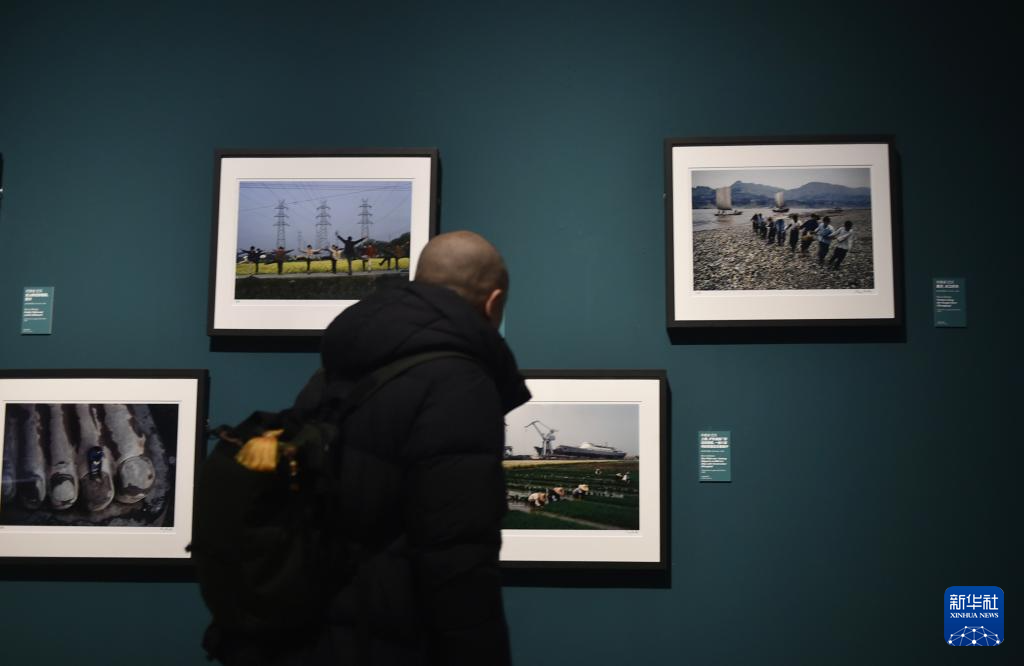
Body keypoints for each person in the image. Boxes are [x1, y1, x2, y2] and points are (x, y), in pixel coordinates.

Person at [253, 230, 529, 666]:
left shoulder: (335, 372)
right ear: (493, 304)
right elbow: (457, 557)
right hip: (395, 640)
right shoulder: (459, 383)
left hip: (306, 634)